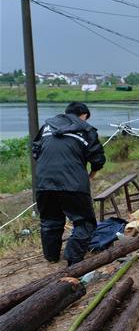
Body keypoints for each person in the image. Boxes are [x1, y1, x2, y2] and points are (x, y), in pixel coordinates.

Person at [32, 101, 106, 265]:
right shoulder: (86, 130)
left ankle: (51, 257)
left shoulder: (47, 127)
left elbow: (35, 150)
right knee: (84, 222)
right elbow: (98, 159)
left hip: (44, 182)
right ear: (84, 115)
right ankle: (73, 260)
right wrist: (91, 174)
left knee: (50, 220)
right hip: (73, 183)